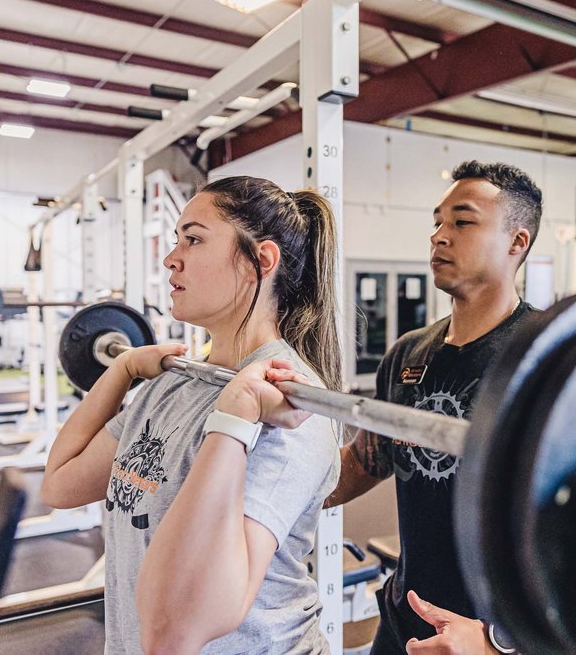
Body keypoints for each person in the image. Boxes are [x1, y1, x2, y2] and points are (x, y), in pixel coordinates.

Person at [40, 176, 343, 655]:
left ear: (260, 262)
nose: (171, 258)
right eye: (177, 239)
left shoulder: (290, 405)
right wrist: (121, 370)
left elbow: (179, 629)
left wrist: (238, 415)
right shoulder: (174, 381)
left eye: (194, 239)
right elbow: (60, 483)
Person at [327, 161, 544, 654]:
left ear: (517, 242)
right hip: (405, 616)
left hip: (486, 636)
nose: (439, 237)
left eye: (462, 222)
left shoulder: (544, 357)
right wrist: (268, 495)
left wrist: (498, 643)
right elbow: (368, 460)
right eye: (437, 222)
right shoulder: (408, 352)